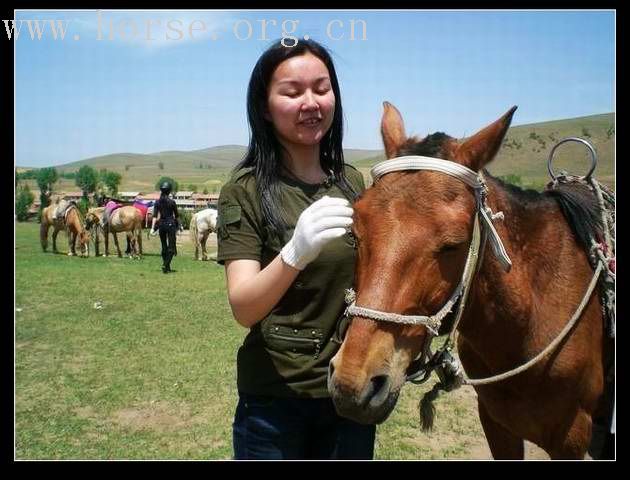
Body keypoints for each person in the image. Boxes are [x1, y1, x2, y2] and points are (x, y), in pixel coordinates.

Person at [216, 38, 374, 460]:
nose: (311, 102)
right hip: (274, 401)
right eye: (292, 92)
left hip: (348, 391)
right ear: (265, 107)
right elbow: (244, 307)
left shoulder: (353, 184)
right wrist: (294, 253)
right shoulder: (244, 189)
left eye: (321, 89)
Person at [151, 181, 180, 273]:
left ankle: (167, 267)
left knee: (164, 246)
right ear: (169, 191)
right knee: (171, 247)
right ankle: (165, 265)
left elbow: (155, 216)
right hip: (170, 224)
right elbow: (177, 216)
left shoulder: (157, 202)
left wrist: (152, 228)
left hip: (161, 225)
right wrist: (179, 226)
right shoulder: (172, 202)